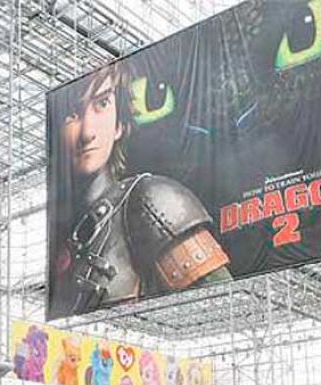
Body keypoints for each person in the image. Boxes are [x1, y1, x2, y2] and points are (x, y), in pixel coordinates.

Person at [48, 62, 232, 317]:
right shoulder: (56, 238)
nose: (87, 133)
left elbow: (226, 309)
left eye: (102, 104)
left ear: (119, 125)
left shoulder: (154, 201)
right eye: (72, 114)